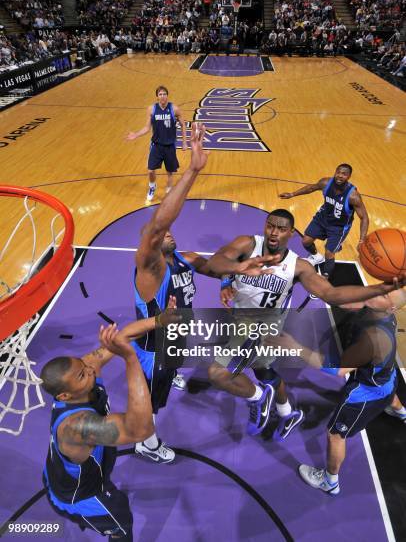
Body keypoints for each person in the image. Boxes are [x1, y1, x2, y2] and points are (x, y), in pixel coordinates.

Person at [206, 209, 405, 439]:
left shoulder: (298, 267)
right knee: (263, 369)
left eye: (281, 229)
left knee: (217, 373)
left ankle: (258, 398)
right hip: (243, 321)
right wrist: (232, 272)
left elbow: (331, 294)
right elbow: (217, 261)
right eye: (271, 226)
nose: (274, 233)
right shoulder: (248, 244)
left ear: (291, 233)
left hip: (261, 327)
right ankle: (287, 412)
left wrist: (382, 288)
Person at [133, 123, 229, 463]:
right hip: (154, 348)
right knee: (153, 399)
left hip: (176, 336)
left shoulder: (184, 259)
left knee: (171, 368)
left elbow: (216, 267)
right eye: (162, 234)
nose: (168, 233)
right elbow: (158, 224)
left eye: (172, 231)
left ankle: (170, 375)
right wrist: (192, 170)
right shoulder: (151, 268)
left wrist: (234, 277)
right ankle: (146, 440)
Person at [41, 305, 178, 540]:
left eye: (85, 366)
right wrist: (131, 359)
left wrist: (159, 320)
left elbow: (123, 336)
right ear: (64, 396)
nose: (91, 371)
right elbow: (141, 429)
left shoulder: (84, 371)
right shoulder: (77, 427)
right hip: (80, 496)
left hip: (67, 470)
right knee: (122, 524)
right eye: (83, 375)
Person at [294, 287, 406, 495]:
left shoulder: (374, 338)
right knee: (390, 394)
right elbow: (350, 301)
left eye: (383, 294)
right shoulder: (383, 313)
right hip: (387, 379)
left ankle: (330, 481)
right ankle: (401, 412)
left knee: (335, 435)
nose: (377, 292)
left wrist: (295, 347)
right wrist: (329, 294)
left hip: (365, 394)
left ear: (390, 307)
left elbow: (338, 369)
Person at [279, 164, 369, 278]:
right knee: (306, 241)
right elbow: (311, 188)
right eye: (338, 172)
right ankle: (316, 256)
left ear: (349, 176)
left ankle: (325, 277)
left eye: (344, 174)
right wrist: (292, 194)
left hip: (338, 227)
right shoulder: (325, 183)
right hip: (322, 218)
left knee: (329, 252)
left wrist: (361, 240)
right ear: (335, 172)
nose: (340, 176)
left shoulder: (353, 196)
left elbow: (364, 217)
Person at [126, 86, 187, 202]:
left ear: (167, 95)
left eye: (164, 94)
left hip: (170, 146)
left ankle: (169, 190)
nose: (162, 96)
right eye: (160, 94)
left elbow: (183, 125)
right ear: (157, 97)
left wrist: (184, 142)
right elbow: (147, 128)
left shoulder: (174, 109)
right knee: (150, 170)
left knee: (170, 172)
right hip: (156, 145)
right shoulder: (151, 109)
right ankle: (152, 187)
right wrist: (136, 134)